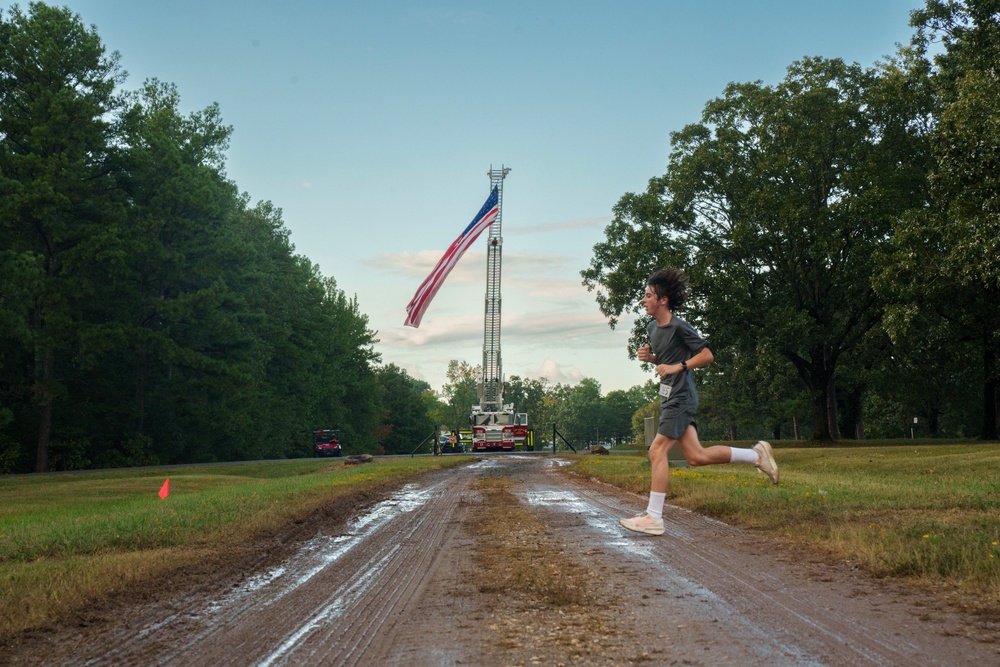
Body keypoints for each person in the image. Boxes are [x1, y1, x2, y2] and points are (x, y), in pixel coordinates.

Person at [620, 268, 778, 537]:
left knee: (657, 452)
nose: (644, 300)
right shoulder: (651, 327)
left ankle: (654, 517)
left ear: (663, 300)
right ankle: (757, 455)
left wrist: (678, 367)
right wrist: (652, 359)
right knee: (696, 456)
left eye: (648, 295)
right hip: (670, 396)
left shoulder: (680, 326)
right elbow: (667, 361)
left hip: (681, 397)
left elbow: (706, 355)